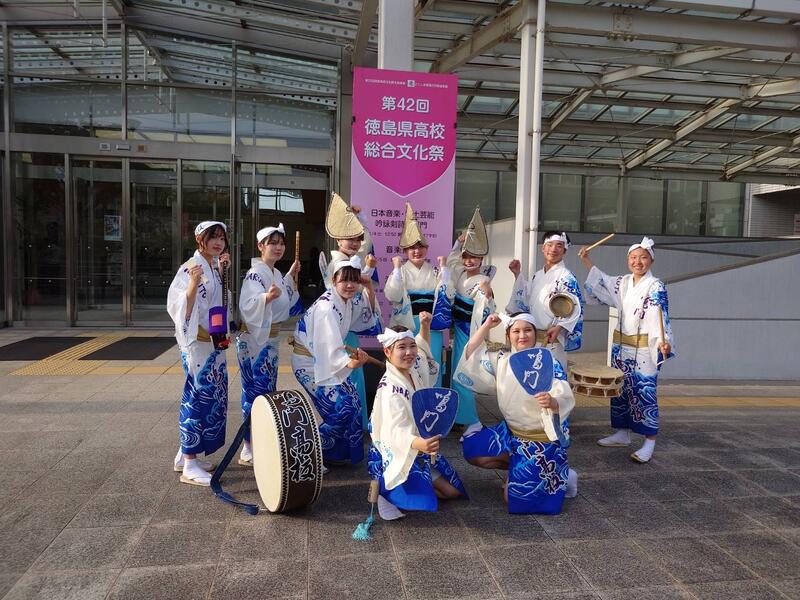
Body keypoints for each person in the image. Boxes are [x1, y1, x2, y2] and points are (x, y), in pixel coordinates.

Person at [455, 312, 578, 514]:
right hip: (511, 433)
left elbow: (563, 392)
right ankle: (517, 467)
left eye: (528, 330)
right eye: (516, 331)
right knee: (474, 451)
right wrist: (486, 325)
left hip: (539, 440)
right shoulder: (502, 360)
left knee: (512, 501)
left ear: (535, 333)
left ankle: (565, 475)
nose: (522, 335)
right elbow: (469, 356)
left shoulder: (546, 361)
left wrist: (553, 401)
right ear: (508, 335)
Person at [578, 236, 675, 463]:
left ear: (651, 260)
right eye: (633, 257)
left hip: (643, 350)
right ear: (627, 260)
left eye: (643, 257)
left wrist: (664, 340)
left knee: (644, 393)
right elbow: (601, 280)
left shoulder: (655, 285)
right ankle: (622, 433)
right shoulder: (622, 283)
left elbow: (660, 316)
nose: (637, 262)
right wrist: (586, 260)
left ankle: (649, 441)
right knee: (620, 390)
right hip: (621, 347)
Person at [368, 313, 467, 521]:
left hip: (420, 446)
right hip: (401, 449)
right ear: (387, 352)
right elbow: (394, 431)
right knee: (424, 501)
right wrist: (418, 443)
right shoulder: (390, 390)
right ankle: (386, 490)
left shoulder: (413, 368)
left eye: (410, 346)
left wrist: (424, 326)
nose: (409, 352)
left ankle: (418, 483)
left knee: (452, 493)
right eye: (401, 347)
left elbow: (422, 347)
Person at [291, 256, 381, 466]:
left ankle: (334, 454)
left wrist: (369, 288)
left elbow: (366, 318)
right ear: (333, 280)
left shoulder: (345, 301)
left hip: (326, 360)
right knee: (341, 409)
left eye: (354, 280)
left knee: (354, 403)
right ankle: (307, 456)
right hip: (311, 364)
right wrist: (349, 362)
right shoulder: (326, 307)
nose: (350, 285)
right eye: (344, 280)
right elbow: (326, 346)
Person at [167, 221, 232, 486]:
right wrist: (193, 283)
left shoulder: (214, 268)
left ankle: (185, 454)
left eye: (221, 238)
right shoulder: (190, 268)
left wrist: (222, 271)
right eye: (212, 238)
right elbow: (178, 305)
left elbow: (218, 302)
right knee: (197, 397)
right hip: (198, 345)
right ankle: (190, 463)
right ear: (199, 240)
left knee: (211, 398)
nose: (218, 242)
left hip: (213, 345)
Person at [235, 223, 301, 466]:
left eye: (281, 243)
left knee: (266, 389)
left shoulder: (271, 272)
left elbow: (285, 302)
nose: (278, 247)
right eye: (272, 243)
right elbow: (248, 304)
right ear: (261, 246)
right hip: (255, 341)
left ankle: (258, 441)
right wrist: (266, 297)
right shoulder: (256, 273)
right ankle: (248, 446)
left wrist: (289, 279)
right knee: (254, 391)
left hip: (269, 340)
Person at [320, 192, 379, 427]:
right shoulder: (338, 263)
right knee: (346, 379)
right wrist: (367, 271)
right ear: (338, 240)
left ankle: (354, 424)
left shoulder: (350, 260)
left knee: (354, 379)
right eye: (349, 239)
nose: (354, 243)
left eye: (357, 239)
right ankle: (348, 425)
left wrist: (361, 218)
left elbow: (366, 247)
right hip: (339, 332)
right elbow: (355, 283)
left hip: (349, 330)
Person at [384, 203, 452, 387]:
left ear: (427, 248)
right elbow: (393, 295)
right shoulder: (401, 271)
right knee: (406, 367)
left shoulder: (435, 271)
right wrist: (397, 269)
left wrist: (445, 269)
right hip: (406, 325)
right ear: (405, 251)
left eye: (421, 246)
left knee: (431, 364)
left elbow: (448, 295)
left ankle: (433, 405)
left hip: (430, 325)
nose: (417, 250)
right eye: (412, 247)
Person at [447, 207, 495, 440]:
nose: (468, 260)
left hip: (470, 334)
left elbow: (489, 311)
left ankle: (472, 421)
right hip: (458, 331)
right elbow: (453, 260)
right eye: (466, 256)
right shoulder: (460, 274)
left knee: (463, 375)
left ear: (481, 259)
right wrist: (459, 242)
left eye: (473, 257)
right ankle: (461, 419)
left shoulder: (483, 281)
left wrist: (488, 295)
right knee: (457, 374)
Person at [507, 231, 584, 371]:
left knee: (551, 381)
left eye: (559, 246)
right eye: (549, 245)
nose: (553, 249)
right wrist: (517, 274)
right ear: (543, 248)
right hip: (532, 337)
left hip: (552, 337)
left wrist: (560, 327)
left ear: (565, 250)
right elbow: (527, 296)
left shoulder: (566, 277)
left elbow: (575, 307)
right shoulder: (538, 275)